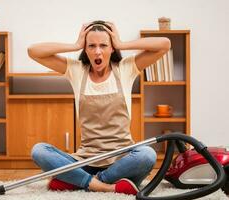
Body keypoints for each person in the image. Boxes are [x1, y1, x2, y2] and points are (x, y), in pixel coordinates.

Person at [27, 20, 171, 195]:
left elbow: (164, 44)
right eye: (91, 46)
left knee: (147, 155)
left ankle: (79, 181)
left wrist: (122, 43)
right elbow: (33, 51)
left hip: (121, 160)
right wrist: (74, 45)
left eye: (103, 45)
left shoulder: (125, 69)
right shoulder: (77, 70)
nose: (97, 51)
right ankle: (104, 186)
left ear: (112, 48)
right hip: (85, 160)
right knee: (39, 151)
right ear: (85, 49)